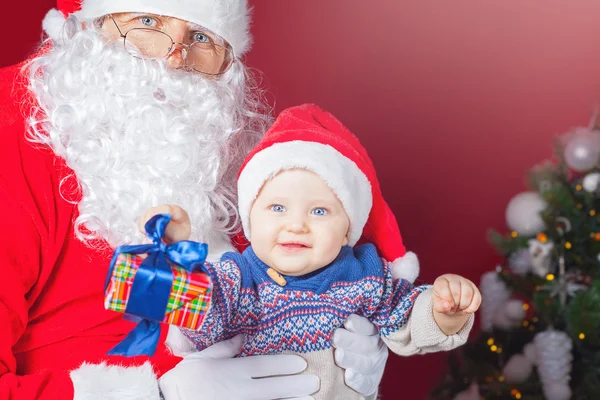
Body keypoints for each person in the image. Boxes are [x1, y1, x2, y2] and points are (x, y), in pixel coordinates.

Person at [0, 1, 388, 399]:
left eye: (201, 37)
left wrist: (348, 355)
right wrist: (157, 394)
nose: (174, 58)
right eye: (147, 21)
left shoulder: (234, 153)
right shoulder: (10, 124)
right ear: (92, 25)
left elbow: (283, 292)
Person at [142, 104, 481, 399]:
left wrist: (444, 312)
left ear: (348, 229)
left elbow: (406, 318)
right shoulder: (240, 279)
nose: (296, 225)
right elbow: (200, 317)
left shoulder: (365, 276)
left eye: (319, 211)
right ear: (250, 221)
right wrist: (172, 258)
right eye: (277, 208)